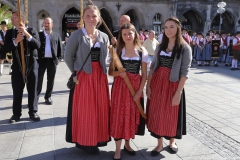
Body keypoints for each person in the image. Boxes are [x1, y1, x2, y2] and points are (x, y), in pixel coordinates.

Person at [64, 5, 111, 155]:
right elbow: (67, 57)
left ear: (99, 19)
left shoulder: (104, 36)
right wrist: (75, 72)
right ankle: (86, 140)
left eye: (94, 16)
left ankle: (98, 138)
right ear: (83, 18)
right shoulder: (77, 35)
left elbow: (107, 58)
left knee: (100, 108)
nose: (91, 19)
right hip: (84, 77)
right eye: (88, 16)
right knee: (86, 110)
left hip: (100, 77)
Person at [146, 17, 192, 156]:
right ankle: (159, 144)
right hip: (157, 83)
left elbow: (185, 72)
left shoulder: (185, 48)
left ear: (178, 28)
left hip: (173, 84)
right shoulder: (160, 46)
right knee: (158, 112)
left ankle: (172, 141)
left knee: (172, 113)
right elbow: (153, 66)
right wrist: (148, 85)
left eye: (171, 27)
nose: (168, 30)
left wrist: (178, 92)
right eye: (166, 27)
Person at [110, 23, 147, 160]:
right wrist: (119, 74)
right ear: (121, 36)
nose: (127, 36)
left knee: (130, 116)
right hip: (120, 88)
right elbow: (111, 73)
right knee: (119, 115)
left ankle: (127, 143)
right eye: (124, 34)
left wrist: (139, 92)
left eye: (130, 33)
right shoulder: (118, 51)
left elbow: (144, 74)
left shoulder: (142, 51)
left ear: (135, 34)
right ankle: (117, 149)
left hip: (135, 88)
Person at [5, 12, 41, 123]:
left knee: (32, 90)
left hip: (31, 65)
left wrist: (25, 34)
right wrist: (16, 41)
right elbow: (5, 48)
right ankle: (16, 114)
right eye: (12, 17)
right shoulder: (10, 33)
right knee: (17, 90)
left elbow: (38, 45)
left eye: (14, 17)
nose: (12, 19)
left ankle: (33, 111)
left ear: (21, 19)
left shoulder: (32, 30)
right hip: (17, 66)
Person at [37, 17, 63, 105]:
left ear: (52, 24)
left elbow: (60, 48)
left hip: (52, 61)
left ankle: (48, 97)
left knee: (50, 80)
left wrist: (59, 59)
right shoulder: (38, 35)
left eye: (48, 23)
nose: (47, 25)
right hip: (41, 61)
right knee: (38, 80)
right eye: (45, 23)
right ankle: (36, 97)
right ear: (43, 24)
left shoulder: (56, 35)